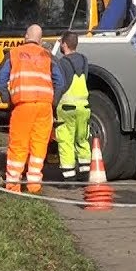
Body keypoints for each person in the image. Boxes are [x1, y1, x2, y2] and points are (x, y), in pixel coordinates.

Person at [0, 25, 64, 194]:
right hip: (44, 108)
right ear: (40, 40)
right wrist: (53, 101)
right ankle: (34, 185)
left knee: (18, 145)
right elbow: (61, 81)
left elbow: (0, 79)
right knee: (39, 145)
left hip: (23, 106)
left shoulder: (13, 54)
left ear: (25, 36)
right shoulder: (49, 56)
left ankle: (13, 185)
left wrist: (8, 99)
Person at [53, 32, 93, 182]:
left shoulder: (62, 63)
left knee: (66, 140)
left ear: (64, 44)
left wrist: (54, 103)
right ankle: (85, 172)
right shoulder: (84, 60)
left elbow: (60, 85)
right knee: (82, 138)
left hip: (66, 108)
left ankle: (69, 177)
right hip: (84, 106)